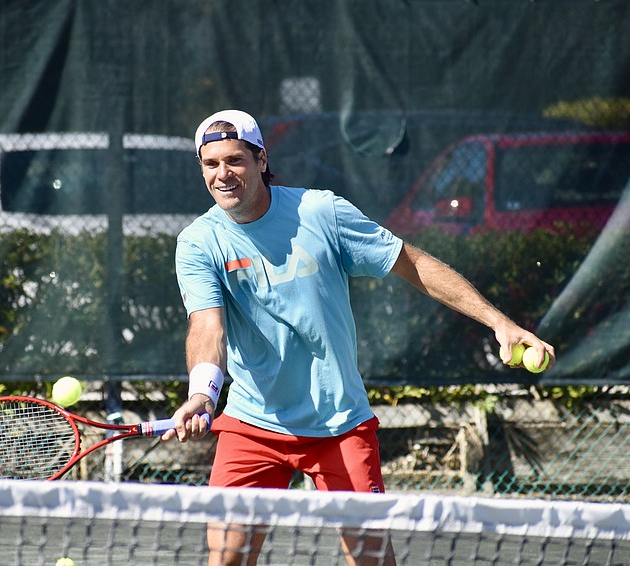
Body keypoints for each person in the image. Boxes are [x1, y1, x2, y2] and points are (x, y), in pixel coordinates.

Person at [161, 109, 555, 566]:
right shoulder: (198, 241)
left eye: (235, 161)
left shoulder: (321, 211)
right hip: (254, 425)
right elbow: (208, 326)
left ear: (261, 159)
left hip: (338, 423)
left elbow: (410, 262)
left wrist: (497, 321)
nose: (222, 174)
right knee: (226, 559)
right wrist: (202, 394)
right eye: (211, 164)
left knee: (370, 560)